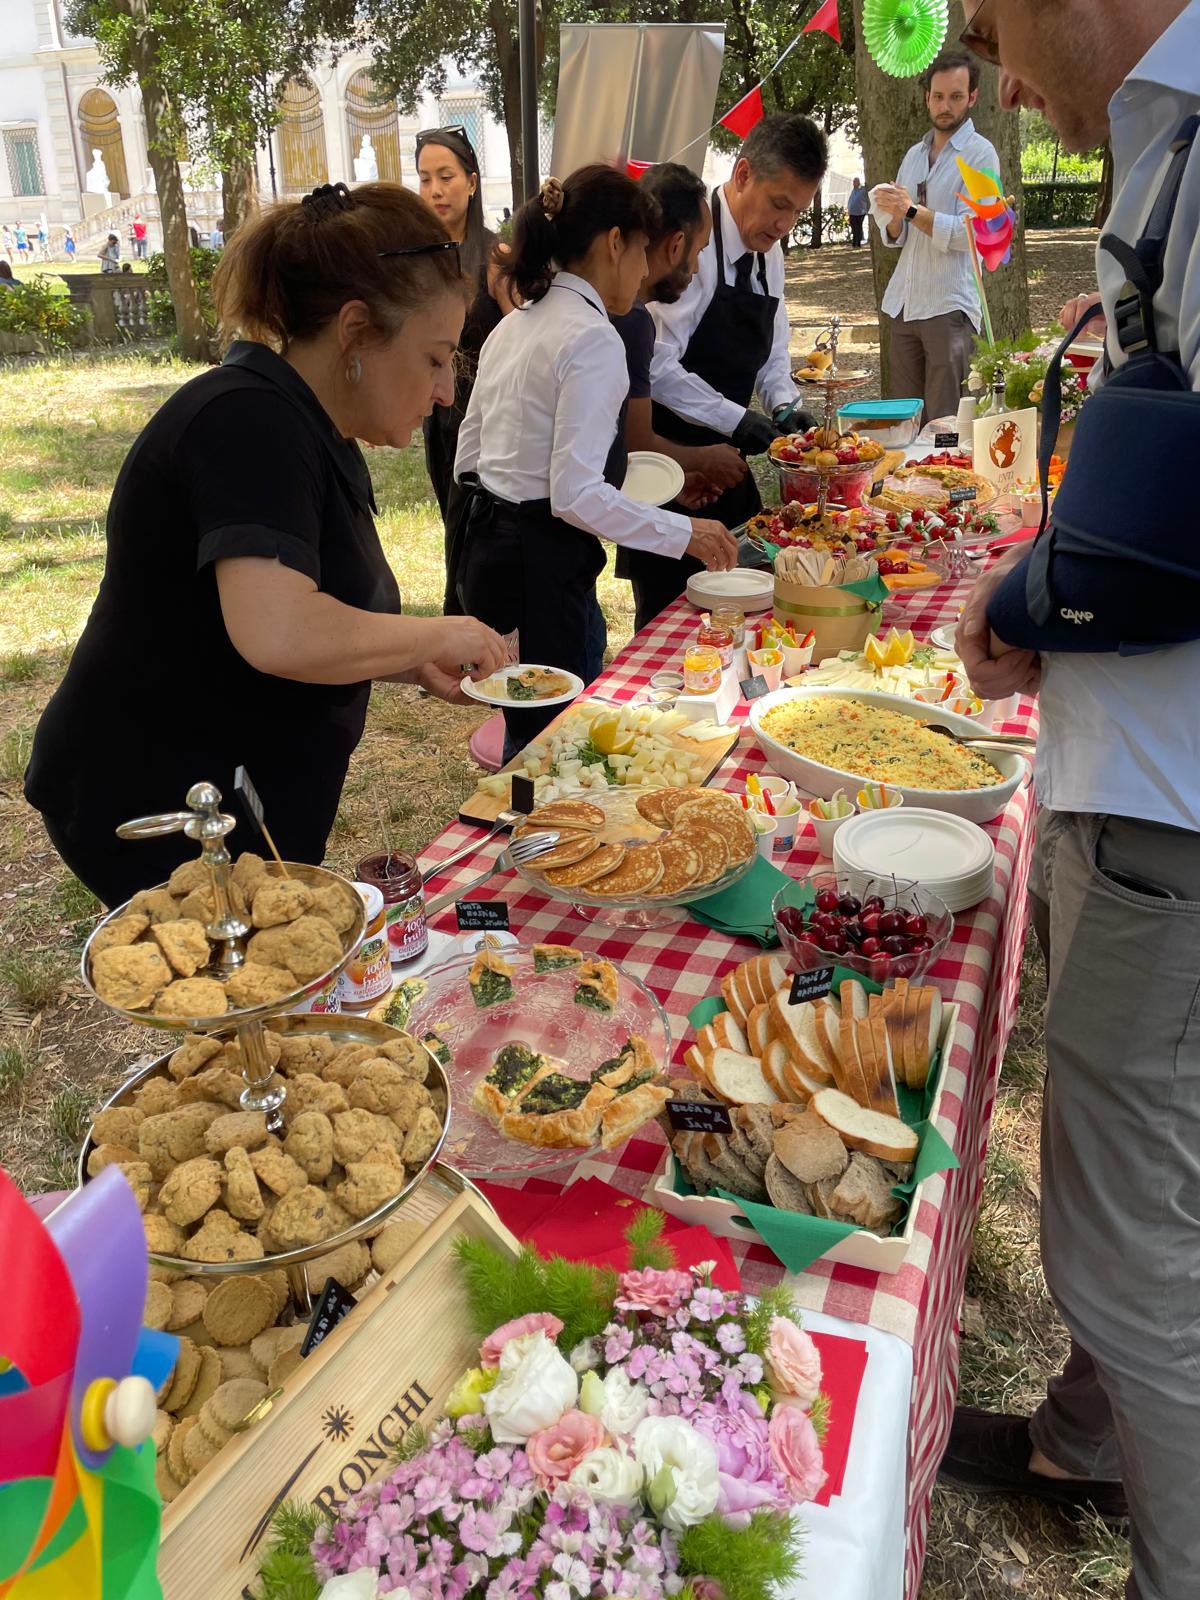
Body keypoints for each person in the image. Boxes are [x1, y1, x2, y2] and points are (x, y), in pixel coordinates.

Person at [940, 6, 1200, 1600]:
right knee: (1151, 1193)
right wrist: (1053, 590)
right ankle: (1088, 1438)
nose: (995, 69)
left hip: (1173, 809)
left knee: (1133, 1250)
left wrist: (1046, 599)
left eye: (986, 20)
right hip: (1142, 780)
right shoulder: (1166, 137)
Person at [24, 181, 507, 907]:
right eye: (435, 358)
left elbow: (296, 621)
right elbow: (278, 630)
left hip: (233, 794)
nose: (444, 392)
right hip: (163, 803)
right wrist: (436, 633)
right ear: (355, 332)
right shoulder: (248, 422)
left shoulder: (305, 426)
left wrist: (410, 659)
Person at [454, 165, 738, 753]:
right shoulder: (593, 336)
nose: (643, 272)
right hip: (542, 566)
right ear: (614, 243)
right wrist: (683, 533)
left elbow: (471, 454)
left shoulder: (516, 323)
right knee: (555, 744)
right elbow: (575, 494)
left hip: (487, 553)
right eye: (640, 252)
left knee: (527, 726)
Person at [640, 114, 828, 627]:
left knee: (747, 603)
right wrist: (734, 419)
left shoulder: (771, 254)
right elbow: (655, 363)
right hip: (669, 459)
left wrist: (785, 406)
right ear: (743, 174)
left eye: (798, 211)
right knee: (667, 617)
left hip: (729, 465)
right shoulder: (690, 243)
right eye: (779, 204)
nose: (785, 224)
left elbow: (771, 351)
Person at [609, 162, 750, 629]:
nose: (695, 269)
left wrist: (675, 478)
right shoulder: (630, 321)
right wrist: (703, 457)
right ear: (675, 245)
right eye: (699, 252)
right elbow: (634, 443)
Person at [874, 49, 999, 424]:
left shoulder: (981, 154)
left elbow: (974, 232)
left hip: (949, 306)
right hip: (905, 304)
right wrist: (893, 217)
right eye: (939, 96)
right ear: (927, 97)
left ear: (972, 97)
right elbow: (897, 236)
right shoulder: (914, 155)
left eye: (956, 96)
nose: (946, 106)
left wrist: (912, 211)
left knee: (944, 424)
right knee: (903, 421)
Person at [415, 125, 509, 616]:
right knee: (451, 524)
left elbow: (525, 337)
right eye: (425, 178)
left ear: (472, 182)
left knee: (476, 527)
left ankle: (473, 618)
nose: (435, 189)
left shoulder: (495, 256)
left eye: (446, 176)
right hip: (436, 412)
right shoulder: (417, 257)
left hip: (487, 417)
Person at [846, 177, 869, 248]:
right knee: (854, 228)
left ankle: (858, 243)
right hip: (852, 212)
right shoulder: (853, 191)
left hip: (860, 212)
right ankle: (854, 243)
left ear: (858, 182)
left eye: (855, 182)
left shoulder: (862, 190)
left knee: (858, 228)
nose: (853, 183)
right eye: (853, 182)